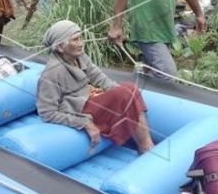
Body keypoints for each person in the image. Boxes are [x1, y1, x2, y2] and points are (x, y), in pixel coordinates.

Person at [37, 20, 154, 154]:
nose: (81, 44)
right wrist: (84, 123)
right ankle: (146, 148)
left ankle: (145, 145)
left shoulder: (80, 57)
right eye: (75, 40)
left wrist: (120, 93)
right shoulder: (52, 73)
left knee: (130, 89)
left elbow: (99, 77)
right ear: (60, 47)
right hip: (80, 110)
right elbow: (47, 113)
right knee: (126, 92)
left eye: (80, 38)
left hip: (90, 98)